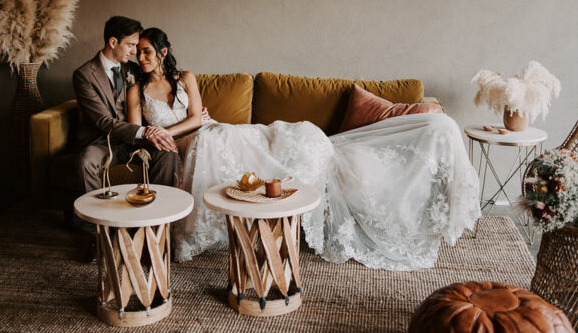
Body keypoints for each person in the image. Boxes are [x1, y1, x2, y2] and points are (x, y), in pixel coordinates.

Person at [127, 27, 481, 271]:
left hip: (214, 133)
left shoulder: (185, 77)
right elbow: (136, 131)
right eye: (138, 52)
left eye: (147, 51)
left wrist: (168, 129)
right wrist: (157, 131)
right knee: (235, 147)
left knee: (285, 140)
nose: (142, 57)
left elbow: (197, 119)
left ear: (163, 52)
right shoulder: (135, 91)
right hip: (196, 142)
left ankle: (307, 157)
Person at [72, 16, 179, 195]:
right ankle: (95, 221)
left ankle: (158, 215)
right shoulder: (84, 76)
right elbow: (103, 121)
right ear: (113, 42)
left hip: (134, 142)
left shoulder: (134, 69)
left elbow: (161, 84)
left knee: (167, 152)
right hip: (102, 142)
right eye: (130, 45)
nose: (134, 51)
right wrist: (143, 131)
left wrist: (191, 109)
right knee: (85, 162)